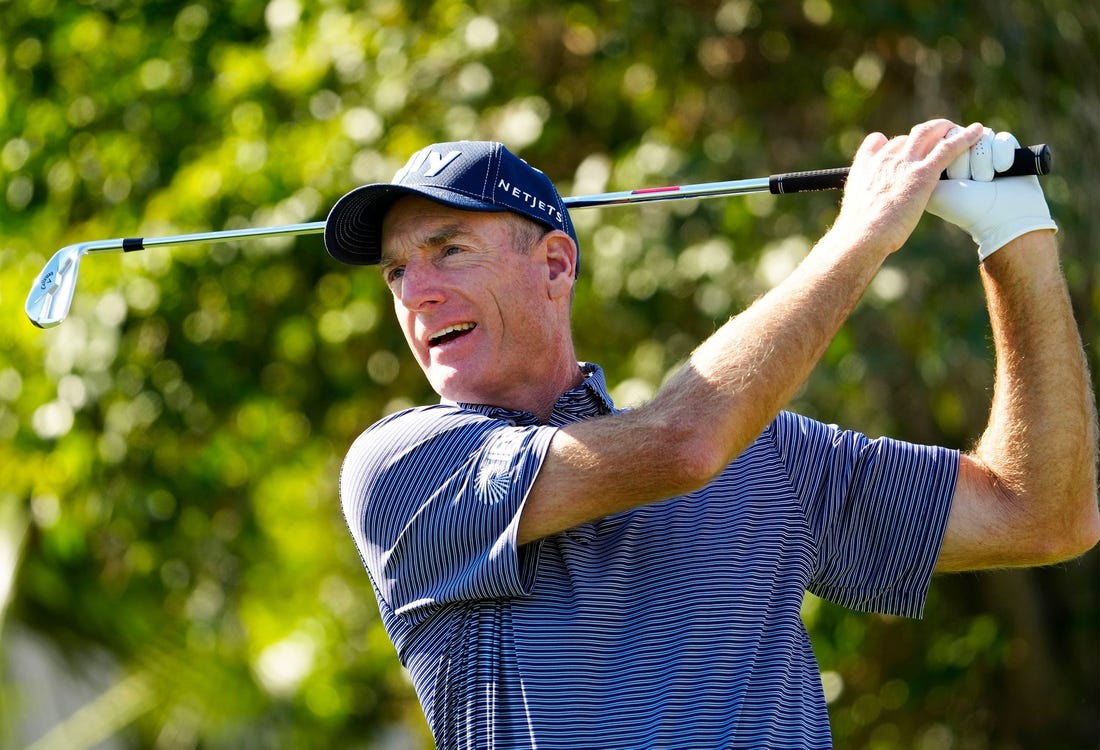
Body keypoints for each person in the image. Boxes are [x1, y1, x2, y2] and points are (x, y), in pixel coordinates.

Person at [322, 120, 1098, 749]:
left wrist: (1016, 234)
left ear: (556, 265)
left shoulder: (770, 456)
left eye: (447, 250)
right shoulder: (402, 467)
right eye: (395, 273)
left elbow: (1044, 514)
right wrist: (862, 232)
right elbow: (682, 445)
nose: (415, 294)